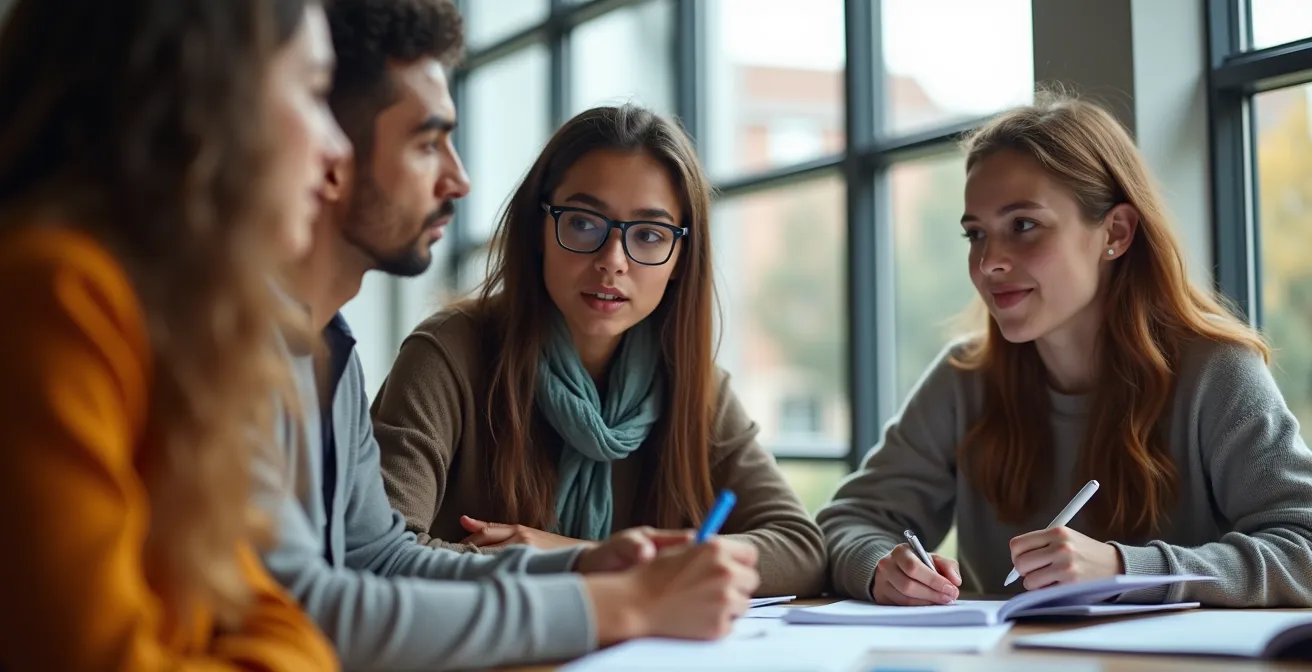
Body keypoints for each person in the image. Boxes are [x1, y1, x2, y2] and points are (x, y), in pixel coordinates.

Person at [259, 2, 760, 670]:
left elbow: (376, 557)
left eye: (648, 236)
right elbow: (306, 606)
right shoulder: (235, 342)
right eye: (426, 142)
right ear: (331, 156)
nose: (459, 180)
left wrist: (582, 562)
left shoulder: (331, 349)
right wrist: (616, 604)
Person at [818, 94, 1312, 609]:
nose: (988, 263)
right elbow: (847, 523)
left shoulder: (1215, 371)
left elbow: (1306, 546)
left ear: (1115, 233)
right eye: (975, 234)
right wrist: (880, 567)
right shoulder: (964, 379)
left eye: (1023, 226)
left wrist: (1127, 570)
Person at [0, 0, 349, 669]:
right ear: (207, 104)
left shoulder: (172, 329)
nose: (337, 147)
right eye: (313, 92)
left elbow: (265, 612)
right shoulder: (55, 297)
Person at [371, 103, 828, 599]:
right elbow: (378, 557)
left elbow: (800, 548)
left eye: (650, 235)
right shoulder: (448, 353)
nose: (612, 262)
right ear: (540, 230)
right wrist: (587, 564)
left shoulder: (692, 384)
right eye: (585, 223)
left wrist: (580, 557)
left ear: (679, 259)